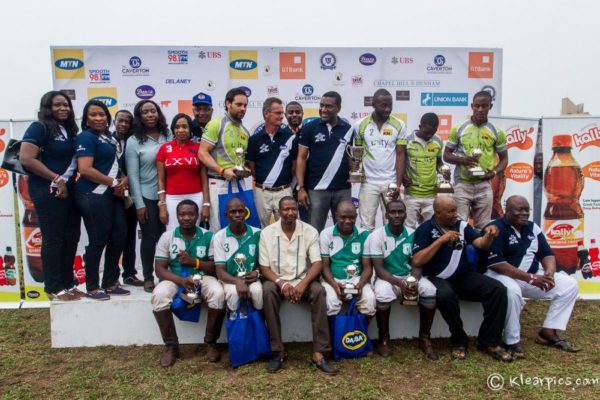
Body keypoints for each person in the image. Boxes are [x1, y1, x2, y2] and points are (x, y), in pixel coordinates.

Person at [411, 195, 512, 362]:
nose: (455, 214)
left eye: (456, 210)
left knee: (498, 289)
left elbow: (481, 244)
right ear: (438, 213)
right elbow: (417, 260)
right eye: (450, 211)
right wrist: (441, 240)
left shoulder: (462, 225)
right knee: (445, 295)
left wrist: (489, 235)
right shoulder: (425, 229)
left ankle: (489, 341)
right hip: (437, 277)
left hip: (463, 277)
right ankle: (459, 340)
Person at [483, 195, 580, 357]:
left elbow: (546, 253)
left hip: (531, 277)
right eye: (519, 210)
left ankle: (548, 332)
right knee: (512, 292)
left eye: (527, 210)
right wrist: (532, 279)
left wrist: (549, 271)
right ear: (508, 210)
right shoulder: (495, 227)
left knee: (570, 285)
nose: (524, 213)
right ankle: (511, 341)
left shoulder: (533, 228)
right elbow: (497, 264)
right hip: (500, 276)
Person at [259, 196, 337, 374]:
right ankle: (277, 352)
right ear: (279, 212)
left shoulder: (310, 231)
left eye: (293, 209)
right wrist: (282, 283)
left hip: (304, 280)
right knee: (268, 290)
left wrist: (302, 284)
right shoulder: (267, 233)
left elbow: (317, 263)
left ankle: (319, 352)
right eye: (286, 209)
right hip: (278, 282)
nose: (290, 212)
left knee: (318, 291)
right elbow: (264, 267)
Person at [19, 91, 82, 301]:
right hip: (48, 189)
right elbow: (27, 159)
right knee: (53, 238)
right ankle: (54, 287)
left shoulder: (69, 129)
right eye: (57, 105)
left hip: (70, 190)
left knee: (71, 237)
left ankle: (68, 282)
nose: (63, 108)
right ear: (48, 107)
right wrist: (56, 179)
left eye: (66, 105)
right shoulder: (39, 127)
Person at [151, 200, 225, 366]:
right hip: (175, 278)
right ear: (177, 216)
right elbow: (160, 270)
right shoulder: (167, 236)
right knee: (159, 295)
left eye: (191, 214)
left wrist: (194, 263)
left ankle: (210, 343)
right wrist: (181, 281)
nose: (186, 218)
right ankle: (171, 347)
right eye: (182, 214)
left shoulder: (209, 236)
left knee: (218, 293)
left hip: (202, 276)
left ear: (197, 216)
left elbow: (214, 268)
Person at [366, 200, 438, 360]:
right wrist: (400, 283)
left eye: (400, 212)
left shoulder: (413, 234)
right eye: (393, 212)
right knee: (382, 293)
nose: (397, 215)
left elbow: (417, 263)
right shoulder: (377, 235)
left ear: (406, 214)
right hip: (388, 278)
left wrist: (413, 282)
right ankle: (384, 339)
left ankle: (424, 338)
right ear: (386, 215)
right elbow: (379, 269)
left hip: (409, 276)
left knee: (431, 290)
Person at [75, 100, 130, 300]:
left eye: (102, 115)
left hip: (112, 195)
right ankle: (92, 286)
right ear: (86, 118)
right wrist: (115, 182)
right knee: (98, 240)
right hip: (92, 195)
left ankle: (110, 282)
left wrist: (123, 179)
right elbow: (85, 169)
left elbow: (114, 164)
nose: (99, 118)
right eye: (93, 115)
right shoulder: (86, 137)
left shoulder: (108, 138)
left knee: (119, 236)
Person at [443, 90, 508, 229]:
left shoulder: (497, 132)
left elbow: (504, 159)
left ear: (490, 107)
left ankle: (478, 251)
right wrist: (463, 160)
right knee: (458, 224)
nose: (480, 109)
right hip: (462, 184)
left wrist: (494, 173)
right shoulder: (459, 128)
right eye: (477, 106)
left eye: (484, 106)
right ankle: (460, 251)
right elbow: (446, 155)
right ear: (472, 106)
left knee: (483, 227)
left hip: (484, 185)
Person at [126, 100, 171, 292]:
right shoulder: (134, 141)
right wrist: (139, 205)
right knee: (150, 237)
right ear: (140, 116)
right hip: (148, 196)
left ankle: (168, 275)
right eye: (145, 112)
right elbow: (133, 176)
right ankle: (147, 277)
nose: (150, 115)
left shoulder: (168, 135)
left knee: (169, 238)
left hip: (172, 195)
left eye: (153, 111)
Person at [350, 89, 407, 231]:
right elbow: (357, 153)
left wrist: (397, 185)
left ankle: (391, 253)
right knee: (366, 225)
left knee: (393, 225)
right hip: (369, 183)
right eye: (383, 105)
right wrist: (355, 168)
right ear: (373, 104)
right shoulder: (360, 125)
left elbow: (400, 155)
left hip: (390, 182)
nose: (387, 109)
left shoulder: (399, 125)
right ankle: (368, 253)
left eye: (390, 105)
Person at [296, 91, 352, 232]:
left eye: (329, 106)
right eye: (321, 105)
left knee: (343, 231)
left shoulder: (348, 129)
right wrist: (301, 188)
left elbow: (353, 158)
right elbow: (301, 158)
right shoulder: (310, 127)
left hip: (342, 188)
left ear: (338, 108)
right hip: (316, 189)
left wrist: (357, 169)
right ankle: (314, 255)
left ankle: (340, 255)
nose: (323, 109)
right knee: (314, 231)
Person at [198, 88, 251, 231]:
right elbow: (202, 153)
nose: (243, 108)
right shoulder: (217, 123)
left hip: (238, 182)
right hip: (219, 182)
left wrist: (244, 168)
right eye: (239, 104)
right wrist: (221, 171)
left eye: (245, 105)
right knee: (219, 228)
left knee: (240, 226)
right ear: (228, 103)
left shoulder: (244, 131)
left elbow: (239, 159)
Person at [246, 97, 297, 227]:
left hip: (284, 190)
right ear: (266, 114)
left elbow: (295, 164)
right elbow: (251, 166)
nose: (282, 117)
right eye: (278, 113)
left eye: (282, 113)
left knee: (288, 227)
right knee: (261, 229)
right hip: (261, 192)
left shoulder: (289, 136)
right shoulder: (254, 139)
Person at [319, 200, 375, 318]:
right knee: (331, 302)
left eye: (351, 218)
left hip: (358, 280)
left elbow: (368, 266)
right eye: (343, 217)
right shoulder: (326, 234)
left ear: (356, 217)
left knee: (369, 300)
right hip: (333, 280)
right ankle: (336, 335)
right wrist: (335, 285)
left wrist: (360, 284)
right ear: (336, 216)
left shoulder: (364, 235)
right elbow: (324, 266)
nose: (348, 221)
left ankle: (360, 333)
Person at [156, 113, 209, 231]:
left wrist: (206, 204)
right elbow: (160, 179)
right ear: (173, 130)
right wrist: (162, 204)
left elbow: (204, 179)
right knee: (173, 233)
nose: (181, 130)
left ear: (190, 129)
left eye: (184, 127)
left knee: (194, 234)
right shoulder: (164, 149)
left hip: (196, 196)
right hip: (172, 198)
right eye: (177, 127)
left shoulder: (198, 148)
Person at [214, 197, 262, 313]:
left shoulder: (258, 233)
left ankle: (259, 323)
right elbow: (220, 271)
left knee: (257, 291)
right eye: (233, 212)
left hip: (252, 279)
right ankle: (235, 325)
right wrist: (237, 281)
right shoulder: (219, 237)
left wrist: (257, 272)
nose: (237, 215)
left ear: (246, 213)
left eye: (240, 211)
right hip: (230, 279)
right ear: (226, 215)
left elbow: (264, 263)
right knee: (233, 293)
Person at [112, 109, 144, 287]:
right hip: (111, 194)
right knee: (116, 235)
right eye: (120, 121)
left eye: (127, 121)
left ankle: (129, 273)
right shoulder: (107, 140)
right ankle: (112, 275)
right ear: (114, 121)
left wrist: (127, 181)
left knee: (130, 235)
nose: (123, 124)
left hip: (131, 194)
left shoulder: (135, 141)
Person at [402, 113, 444, 228]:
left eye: (433, 132)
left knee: (430, 229)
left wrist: (444, 171)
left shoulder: (438, 141)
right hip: (412, 194)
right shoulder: (408, 141)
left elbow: (439, 162)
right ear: (420, 126)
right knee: (409, 228)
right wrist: (402, 177)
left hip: (431, 194)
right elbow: (400, 163)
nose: (430, 135)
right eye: (427, 132)